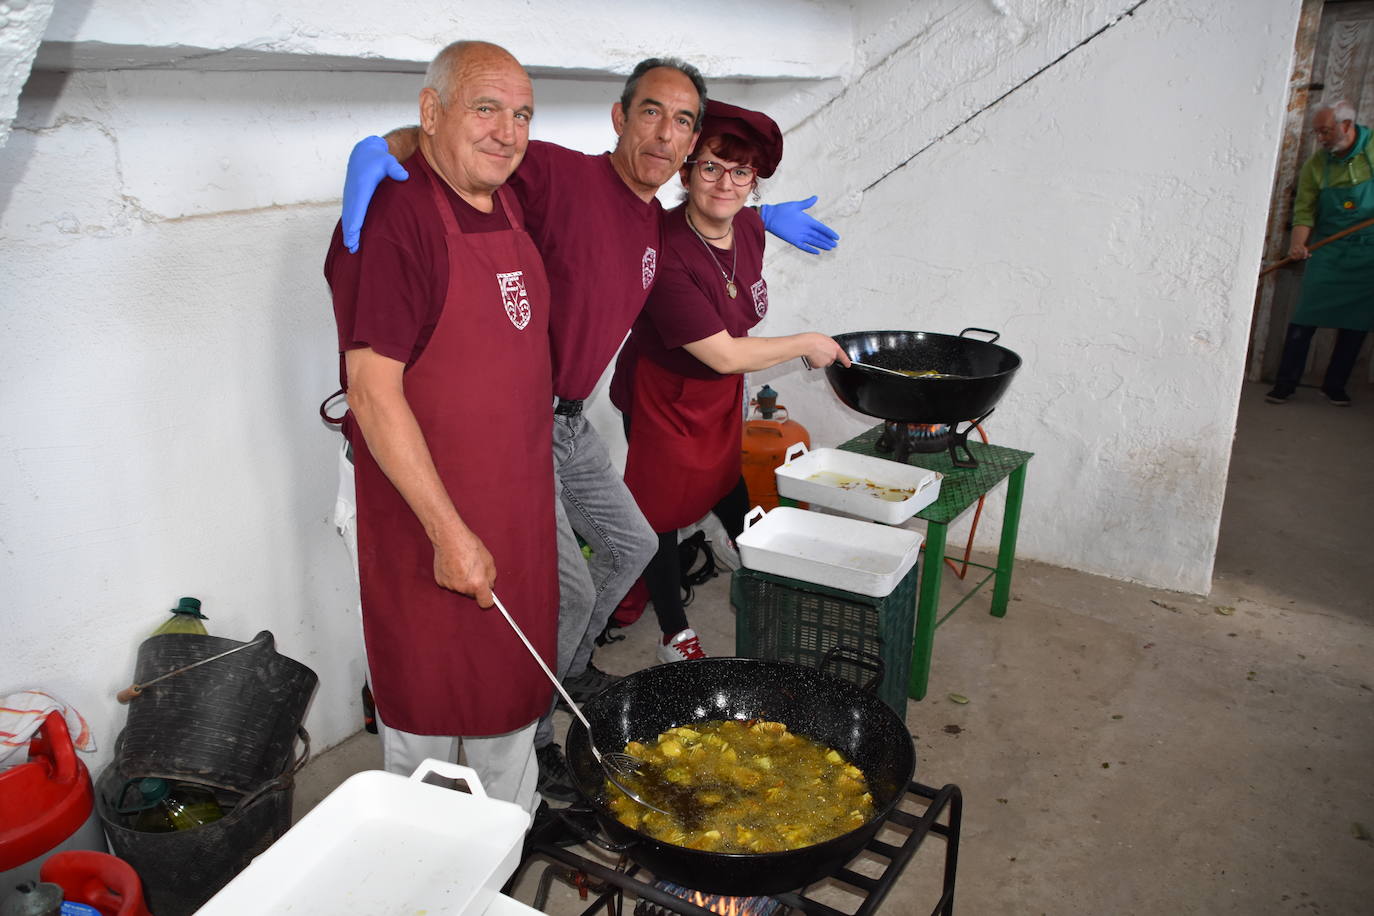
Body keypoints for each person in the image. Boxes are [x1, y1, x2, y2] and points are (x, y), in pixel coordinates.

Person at [338, 59, 841, 803]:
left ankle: (563, 676)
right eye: (650, 114)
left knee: (633, 546)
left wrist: (762, 216)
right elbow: (474, 143)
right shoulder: (562, 176)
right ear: (619, 116)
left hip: (569, 423)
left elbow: (705, 216)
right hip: (519, 420)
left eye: (682, 122)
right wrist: (386, 142)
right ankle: (535, 732)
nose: (663, 135)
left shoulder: (656, 218)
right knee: (560, 592)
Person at [322, 40, 556, 816]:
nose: (508, 131)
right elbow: (371, 391)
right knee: (427, 726)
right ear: (432, 111)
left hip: (511, 498)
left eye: (521, 113)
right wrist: (448, 532)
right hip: (423, 511)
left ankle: (499, 858)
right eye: (486, 107)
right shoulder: (397, 218)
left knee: (509, 700)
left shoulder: (506, 192)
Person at [609, 101, 849, 662]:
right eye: (712, 167)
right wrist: (807, 343)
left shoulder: (746, 225)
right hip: (663, 399)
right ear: (686, 170)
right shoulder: (665, 253)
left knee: (726, 479)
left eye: (742, 173)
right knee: (659, 514)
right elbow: (721, 354)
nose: (726, 184)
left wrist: (768, 217)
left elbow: (745, 221)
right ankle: (674, 632)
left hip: (717, 394)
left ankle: (759, 565)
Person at [1266, 100, 1373, 406]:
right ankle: (1285, 384)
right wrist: (1297, 245)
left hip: (1368, 251)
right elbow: (1304, 212)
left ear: (1347, 126)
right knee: (1305, 317)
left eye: (1325, 131)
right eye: (1317, 132)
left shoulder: (1373, 149)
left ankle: (1334, 386)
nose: (1321, 138)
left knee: (1356, 322)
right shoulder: (1317, 165)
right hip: (1329, 247)